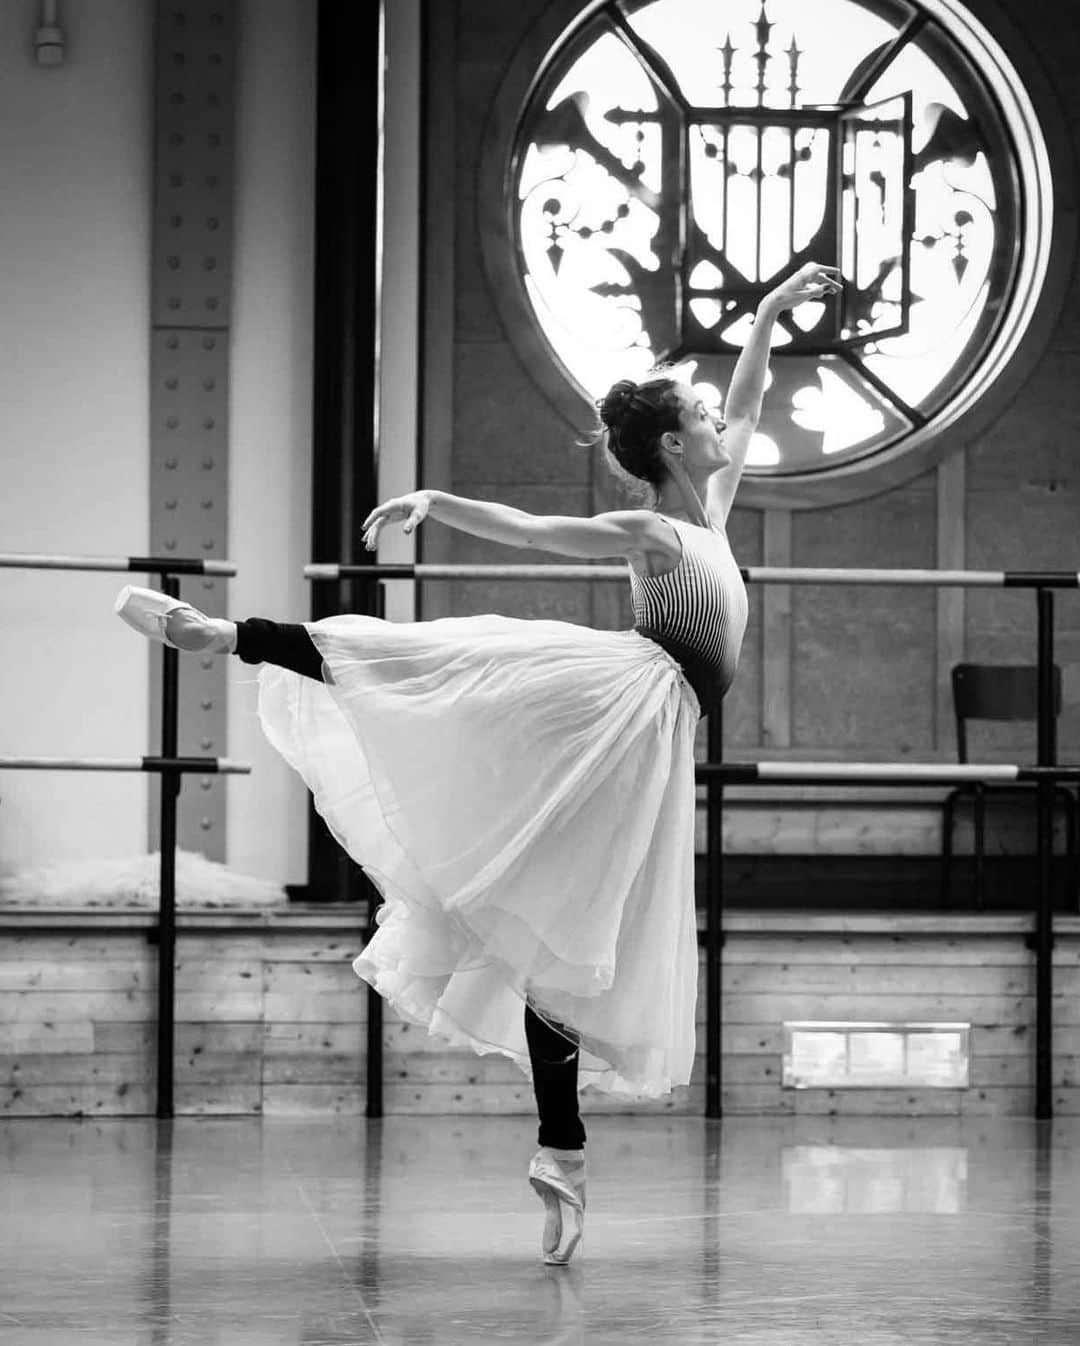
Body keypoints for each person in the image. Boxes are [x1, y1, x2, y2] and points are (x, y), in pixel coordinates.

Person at [115, 261, 842, 1265]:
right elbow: (543, 528)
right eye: (703, 411)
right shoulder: (658, 530)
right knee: (432, 663)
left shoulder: (711, 510)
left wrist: (767, 313)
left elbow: (753, 391)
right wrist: (437, 500)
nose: (725, 416)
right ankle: (226, 632)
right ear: (675, 441)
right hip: (617, 704)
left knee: (563, 931)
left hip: (649, 739)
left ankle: (563, 1148)